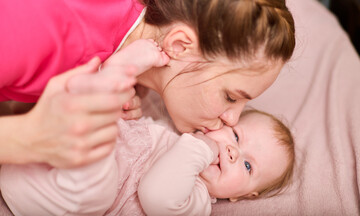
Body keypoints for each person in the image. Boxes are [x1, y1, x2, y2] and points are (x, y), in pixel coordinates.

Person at [0, 0, 295, 168]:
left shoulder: (117, 7)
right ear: (179, 45)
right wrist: (28, 137)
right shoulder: (46, 22)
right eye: (230, 97)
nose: (232, 119)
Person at [0, 108, 295, 216]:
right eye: (236, 136)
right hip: (31, 155)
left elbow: (156, 194)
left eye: (247, 166)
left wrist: (201, 147)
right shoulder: (172, 128)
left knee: (100, 183)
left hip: (57, 196)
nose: (232, 152)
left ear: (240, 196)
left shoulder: (197, 201)